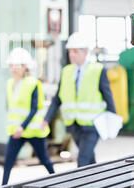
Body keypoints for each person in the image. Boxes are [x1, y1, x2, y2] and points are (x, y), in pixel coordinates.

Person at [42, 32, 116, 167]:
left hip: (92, 125)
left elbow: (108, 95)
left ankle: (80, 187)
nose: (72, 54)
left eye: (76, 51)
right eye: (71, 51)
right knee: (89, 160)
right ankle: (96, 183)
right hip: (73, 125)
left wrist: (113, 120)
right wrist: (47, 119)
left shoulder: (98, 70)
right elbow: (57, 99)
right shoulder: (66, 71)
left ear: (85, 52)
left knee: (81, 160)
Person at [2, 48, 55, 185]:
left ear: (25, 67)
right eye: (11, 65)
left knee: (44, 160)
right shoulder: (9, 84)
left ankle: (57, 181)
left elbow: (34, 109)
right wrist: (17, 128)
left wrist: (22, 126)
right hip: (16, 131)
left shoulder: (33, 83)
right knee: (8, 161)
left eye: (17, 65)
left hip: (33, 130)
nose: (13, 68)